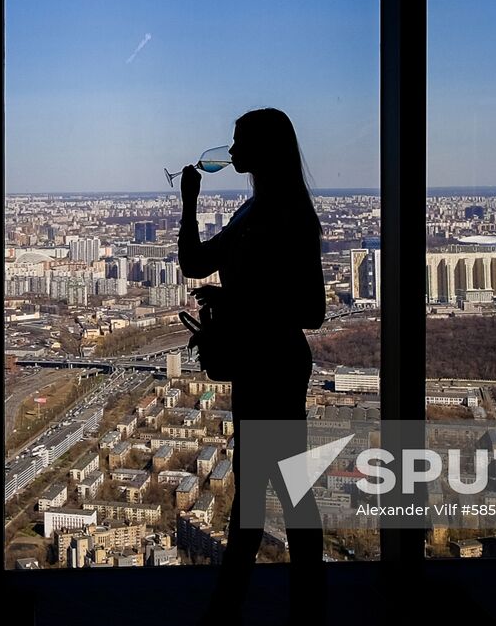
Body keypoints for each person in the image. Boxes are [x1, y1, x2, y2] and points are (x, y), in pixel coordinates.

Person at [178, 107, 326, 626]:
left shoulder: (282, 215)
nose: (233, 150)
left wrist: (237, 303)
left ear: (264, 151)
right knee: (271, 493)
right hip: (263, 366)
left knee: (275, 497)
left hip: (274, 368)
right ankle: (293, 608)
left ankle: (237, 609)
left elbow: (313, 310)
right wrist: (190, 205)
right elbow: (198, 264)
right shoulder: (259, 210)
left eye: (241, 142)